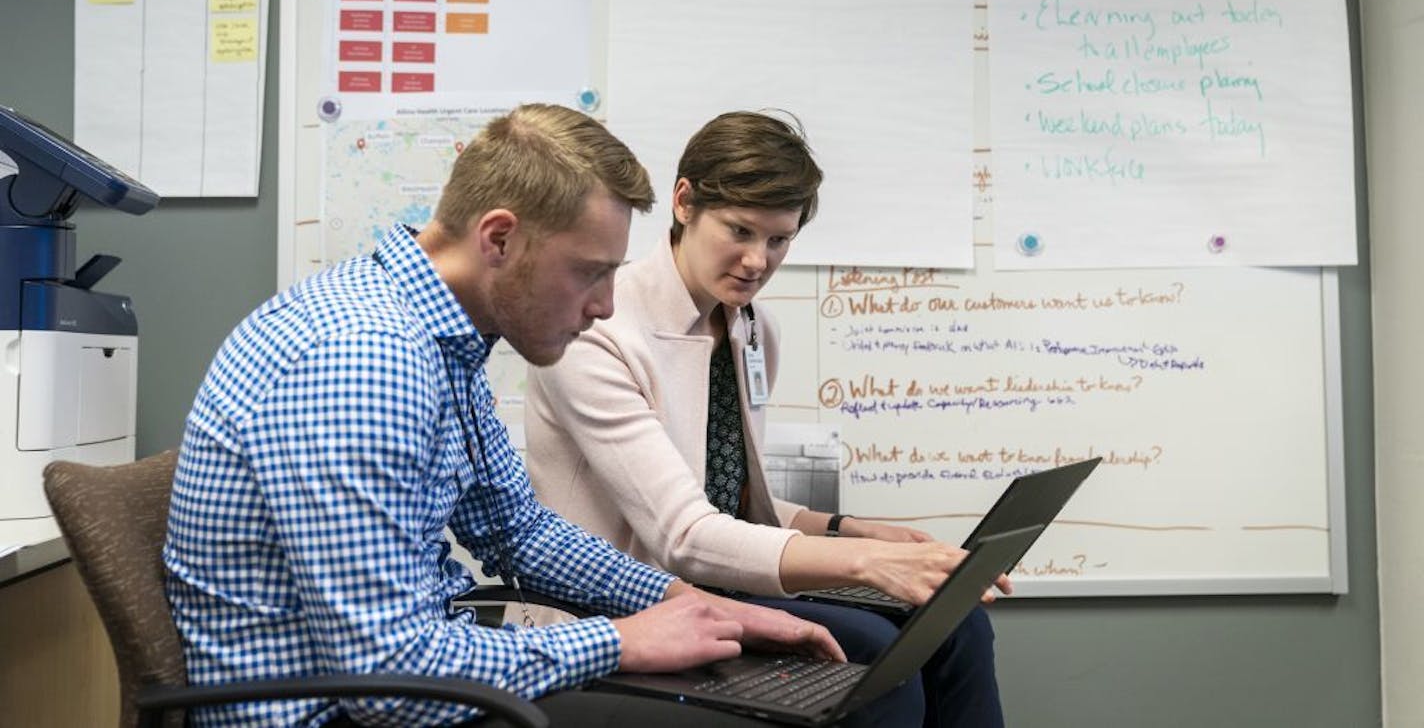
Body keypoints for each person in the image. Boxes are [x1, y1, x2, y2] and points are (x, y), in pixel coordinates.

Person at [162, 104, 841, 728]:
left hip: (412, 670)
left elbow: (516, 530)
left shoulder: (437, 336)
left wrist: (679, 599)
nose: (605, 306)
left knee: (788, 688)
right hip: (337, 710)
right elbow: (387, 679)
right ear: (499, 239)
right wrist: (616, 640)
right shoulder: (363, 360)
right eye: (588, 273)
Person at [526, 111, 1009, 728]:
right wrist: (864, 564)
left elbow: (728, 498)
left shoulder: (751, 328)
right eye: (739, 231)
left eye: (778, 240)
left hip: (718, 586)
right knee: (880, 665)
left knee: (958, 626)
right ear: (683, 202)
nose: (758, 261)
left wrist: (848, 530)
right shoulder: (597, 332)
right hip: (626, 608)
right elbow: (684, 533)